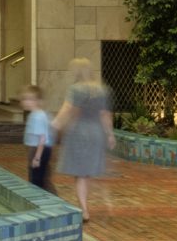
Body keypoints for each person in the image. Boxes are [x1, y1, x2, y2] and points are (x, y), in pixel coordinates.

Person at [52, 58, 113, 219]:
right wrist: (110, 134)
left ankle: (84, 209)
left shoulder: (75, 89)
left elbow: (67, 109)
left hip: (79, 131)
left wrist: (55, 124)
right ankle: (85, 205)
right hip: (96, 133)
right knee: (86, 173)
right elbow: (105, 114)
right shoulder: (102, 90)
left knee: (79, 174)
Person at [20, 83, 54, 192]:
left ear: (37, 101)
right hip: (38, 149)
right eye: (24, 98)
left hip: (39, 150)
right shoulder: (35, 114)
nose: (24, 101)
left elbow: (42, 138)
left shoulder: (38, 116)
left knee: (37, 181)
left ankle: (46, 200)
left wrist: (37, 157)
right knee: (42, 177)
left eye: (29, 99)